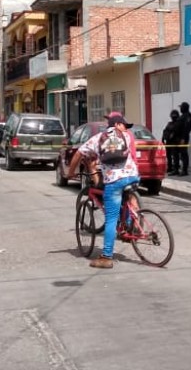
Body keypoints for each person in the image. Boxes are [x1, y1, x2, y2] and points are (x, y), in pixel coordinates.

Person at [67, 112, 141, 269]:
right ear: (118, 125)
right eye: (123, 124)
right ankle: (128, 225)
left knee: (111, 219)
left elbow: (79, 154)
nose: (124, 127)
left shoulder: (98, 138)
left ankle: (106, 256)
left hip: (114, 181)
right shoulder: (127, 136)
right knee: (127, 197)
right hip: (133, 176)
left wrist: (71, 173)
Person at [162, 109, 182, 175]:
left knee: (175, 156)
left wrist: (171, 136)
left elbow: (176, 132)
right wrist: (163, 138)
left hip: (175, 142)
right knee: (168, 155)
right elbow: (165, 131)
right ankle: (170, 167)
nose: (173, 117)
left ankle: (176, 169)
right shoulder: (169, 123)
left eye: (174, 116)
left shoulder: (178, 124)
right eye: (172, 116)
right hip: (168, 142)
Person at [178, 102, 191, 176]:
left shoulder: (188, 116)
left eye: (181, 107)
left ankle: (184, 170)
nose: (180, 109)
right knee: (181, 153)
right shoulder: (184, 116)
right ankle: (180, 169)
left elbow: (186, 128)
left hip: (183, 137)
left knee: (184, 153)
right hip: (180, 137)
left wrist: (183, 138)